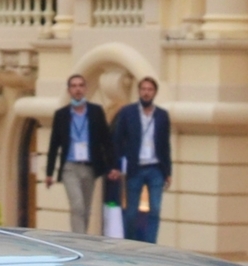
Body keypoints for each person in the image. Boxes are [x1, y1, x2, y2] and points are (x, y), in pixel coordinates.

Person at [41, 72, 114, 235]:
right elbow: (54, 145)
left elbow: (106, 140)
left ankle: (82, 238)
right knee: (77, 206)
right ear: (69, 91)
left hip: (89, 166)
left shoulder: (96, 112)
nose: (78, 89)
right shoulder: (61, 115)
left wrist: (112, 166)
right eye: (74, 86)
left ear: (86, 89)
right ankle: (77, 241)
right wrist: (49, 173)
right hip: (70, 167)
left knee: (86, 209)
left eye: (81, 86)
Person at [110, 74, 172, 244]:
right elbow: (118, 139)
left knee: (155, 210)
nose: (146, 93)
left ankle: (150, 245)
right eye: (143, 89)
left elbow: (165, 145)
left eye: (150, 90)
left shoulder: (162, 115)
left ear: (155, 93)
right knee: (131, 212)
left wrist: (168, 172)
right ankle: (130, 243)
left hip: (156, 168)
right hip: (135, 168)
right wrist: (116, 165)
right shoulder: (127, 112)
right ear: (139, 91)